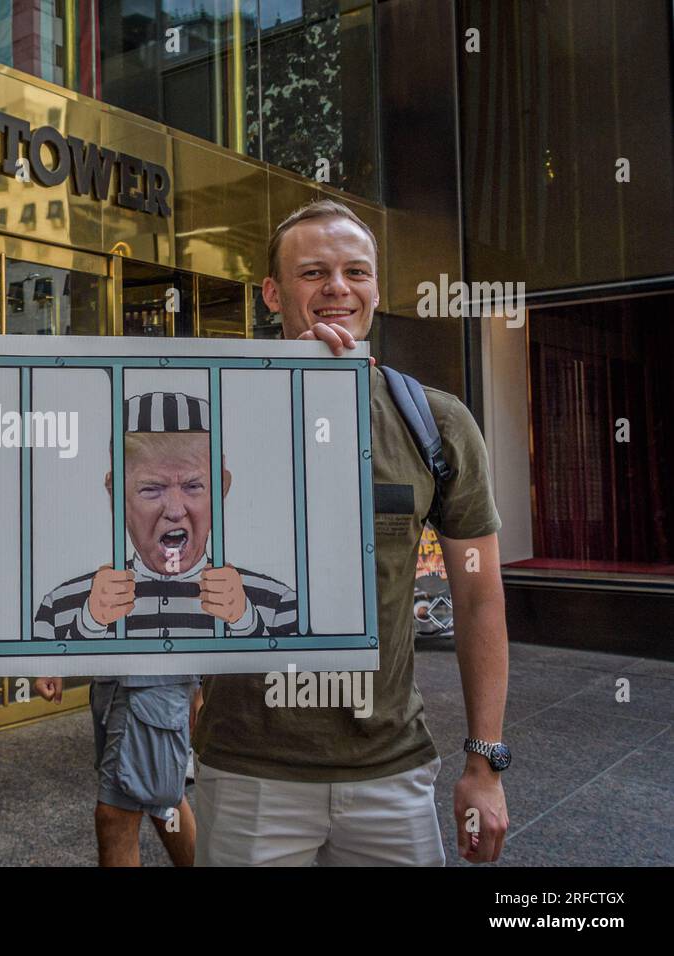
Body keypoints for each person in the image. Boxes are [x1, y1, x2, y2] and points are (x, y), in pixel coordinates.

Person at [192, 199, 511, 866]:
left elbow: (480, 598)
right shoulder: (213, 411)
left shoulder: (438, 423)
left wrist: (485, 763)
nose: (337, 288)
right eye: (313, 273)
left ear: (374, 289)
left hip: (390, 768)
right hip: (250, 767)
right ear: (274, 294)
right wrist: (285, 394)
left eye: (355, 272)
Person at [34, 392, 297, 867]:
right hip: (117, 687)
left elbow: (291, 651)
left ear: (222, 488)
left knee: (116, 812)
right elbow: (50, 622)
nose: (174, 509)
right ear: (117, 493)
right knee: (162, 798)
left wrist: (242, 620)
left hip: (151, 689)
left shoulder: (268, 599)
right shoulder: (73, 594)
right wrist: (79, 632)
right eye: (152, 489)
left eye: (193, 486)